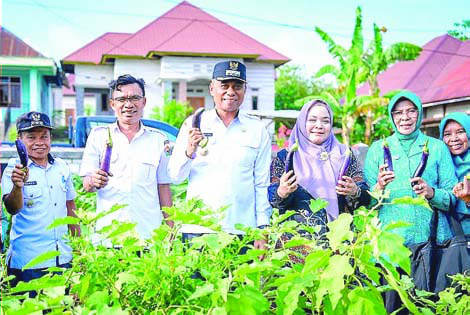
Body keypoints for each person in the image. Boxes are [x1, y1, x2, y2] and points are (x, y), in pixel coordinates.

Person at [364, 91, 457, 313]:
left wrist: (432, 193)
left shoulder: (436, 148)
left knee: (428, 306)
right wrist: (378, 187)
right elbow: (365, 204)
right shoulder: (378, 149)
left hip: (431, 245)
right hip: (390, 248)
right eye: (398, 112)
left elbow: (453, 198)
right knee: (394, 307)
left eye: (410, 111)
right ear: (391, 116)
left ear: (419, 113)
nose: (404, 117)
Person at [168, 60, 272, 252]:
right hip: (198, 229)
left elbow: (261, 184)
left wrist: (263, 228)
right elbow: (175, 177)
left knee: (240, 283)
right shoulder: (193, 124)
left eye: (237, 86)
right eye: (224, 85)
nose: (230, 92)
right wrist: (189, 151)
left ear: (245, 90)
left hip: (242, 231)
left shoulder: (257, 130)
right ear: (212, 88)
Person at [268, 99, 370, 261]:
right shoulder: (286, 157)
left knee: (337, 284)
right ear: (302, 122)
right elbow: (274, 199)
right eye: (312, 120)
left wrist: (355, 191)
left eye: (326, 121)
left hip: (339, 245)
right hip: (297, 248)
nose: (319, 125)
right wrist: (281, 192)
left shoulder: (345, 156)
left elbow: (365, 197)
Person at [80, 74, 173, 242]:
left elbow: (163, 187)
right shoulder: (98, 136)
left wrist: (171, 230)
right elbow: (86, 185)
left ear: (144, 102)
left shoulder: (158, 140)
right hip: (109, 236)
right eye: (121, 99)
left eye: (135, 98)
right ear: (112, 104)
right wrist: (93, 180)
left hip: (148, 236)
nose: (128, 104)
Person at [1, 112, 80, 291]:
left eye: (44, 136)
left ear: (50, 138)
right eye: (31, 137)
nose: (39, 142)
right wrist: (17, 187)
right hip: (28, 263)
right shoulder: (14, 169)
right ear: (19, 140)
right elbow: (12, 209)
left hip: (62, 258)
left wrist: (78, 247)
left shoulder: (61, 167)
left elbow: (70, 208)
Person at [439, 112, 470, 234]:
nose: (454, 139)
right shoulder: (437, 164)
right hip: (445, 234)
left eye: (460, 132)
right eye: (447, 134)